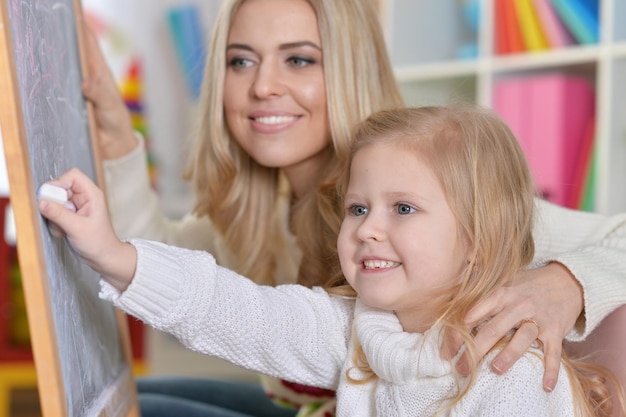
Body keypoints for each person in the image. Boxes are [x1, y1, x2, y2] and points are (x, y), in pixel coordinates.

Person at [81, 0, 626, 415]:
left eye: (298, 59)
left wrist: (567, 281)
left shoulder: (444, 185)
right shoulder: (271, 213)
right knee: (126, 397)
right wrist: (116, 142)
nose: (262, 85)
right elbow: (195, 288)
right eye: (240, 61)